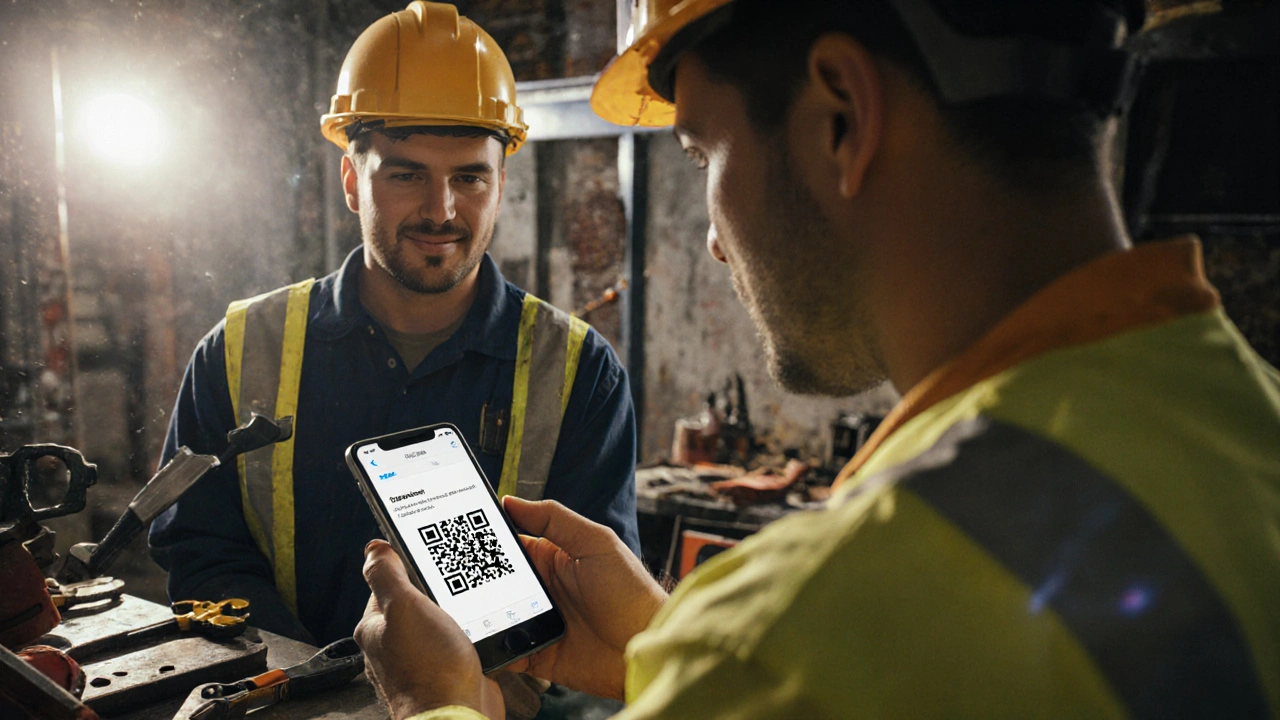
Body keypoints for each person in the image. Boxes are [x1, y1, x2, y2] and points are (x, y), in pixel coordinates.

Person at [353, 0, 1280, 717]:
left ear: (841, 117)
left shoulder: (801, 638)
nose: (716, 243)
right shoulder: (1242, 416)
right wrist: (666, 651)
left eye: (702, 151)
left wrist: (431, 703)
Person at [148, 0, 640, 648]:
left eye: (469, 178)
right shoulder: (238, 355)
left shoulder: (580, 374)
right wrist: (316, 694)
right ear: (352, 180)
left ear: (500, 182)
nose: (442, 210)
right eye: (407, 175)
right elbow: (202, 556)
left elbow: (588, 602)